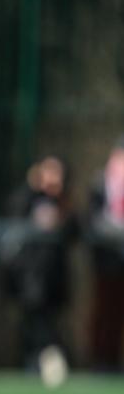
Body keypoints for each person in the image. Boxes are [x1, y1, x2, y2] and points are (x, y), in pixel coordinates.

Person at [0, 155, 75, 384]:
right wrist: (30, 188)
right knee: (32, 321)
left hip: (55, 275)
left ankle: (49, 359)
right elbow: (14, 210)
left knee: (50, 321)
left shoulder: (64, 202)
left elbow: (76, 230)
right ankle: (34, 361)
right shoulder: (28, 198)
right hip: (29, 275)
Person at [85, 141, 124, 372]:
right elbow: (94, 221)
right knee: (106, 312)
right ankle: (103, 360)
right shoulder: (101, 184)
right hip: (108, 261)